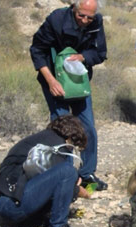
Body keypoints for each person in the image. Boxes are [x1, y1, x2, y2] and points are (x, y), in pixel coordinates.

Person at [29, 0, 108, 191]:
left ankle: (87, 175)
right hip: (53, 81)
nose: (85, 20)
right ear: (74, 7)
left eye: (90, 17)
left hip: (78, 83)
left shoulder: (96, 22)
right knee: (61, 128)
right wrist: (51, 81)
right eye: (81, 15)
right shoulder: (56, 20)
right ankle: (61, 175)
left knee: (88, 127)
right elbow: (37, 50)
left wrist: (83, 57)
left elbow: (100, 53)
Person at [0, 115, 89, 227]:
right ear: (70, 138)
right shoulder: (58, 144)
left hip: (5, 201)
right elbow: (62, 180)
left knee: (64, 174)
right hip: (12, 206)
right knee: (67, 171)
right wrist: (78, 190)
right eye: (74, 145)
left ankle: (36, 219)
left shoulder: (38, 139)